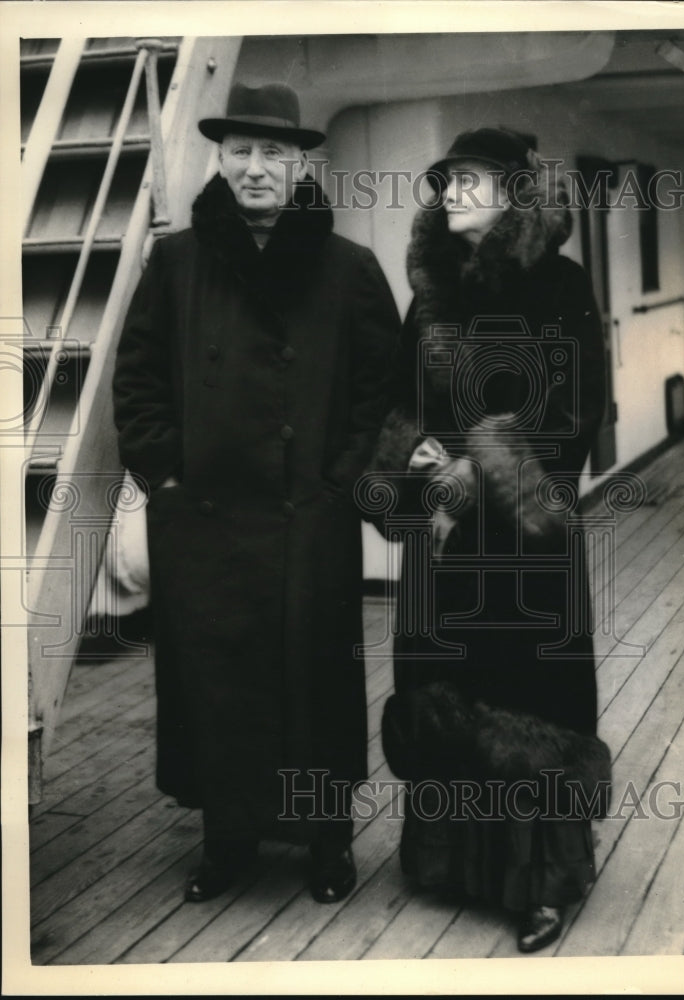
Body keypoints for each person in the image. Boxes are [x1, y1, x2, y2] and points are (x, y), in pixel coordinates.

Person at [112, 83, 401, 904]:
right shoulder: (176, 262)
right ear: (221, 161)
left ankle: (326, 842)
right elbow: (137, 383)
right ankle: (228, 841)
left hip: (307, 518)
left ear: (301, 164)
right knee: (219, 686)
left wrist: (340, 482)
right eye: (239, 152)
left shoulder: (348, 269)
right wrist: (166, 471)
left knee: (313, 684)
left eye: (272, 152)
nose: (255, 167)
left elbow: (380, 392)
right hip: (204, 521)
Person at [366, 128, 611, 952]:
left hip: (522, 544)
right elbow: (399, 398)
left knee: (526, 704)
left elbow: (576, 412)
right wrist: (410, 455)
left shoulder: (560, 285)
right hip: (439, 540)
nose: (454, 192)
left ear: (516, 193)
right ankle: (452, 864)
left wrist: (480, 463)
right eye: (447, 180)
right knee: (443, 692)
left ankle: (538, 885)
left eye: (472, 179)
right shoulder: (429, 293)